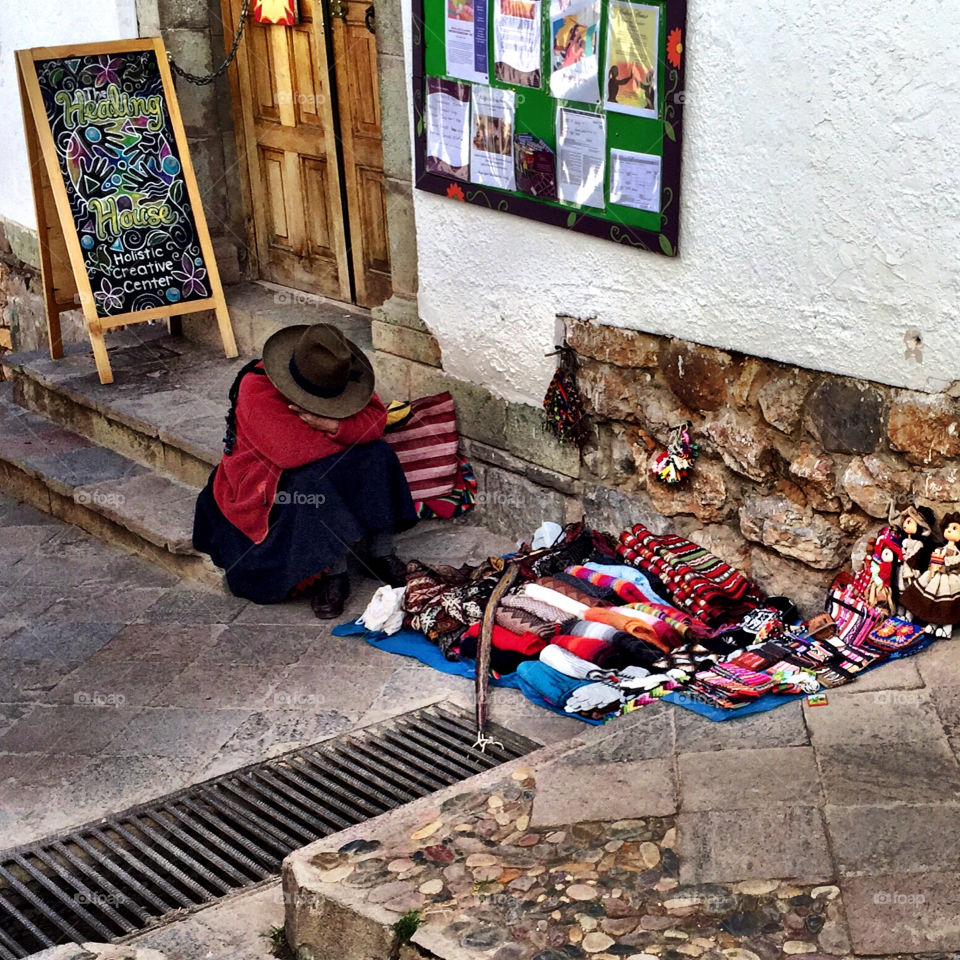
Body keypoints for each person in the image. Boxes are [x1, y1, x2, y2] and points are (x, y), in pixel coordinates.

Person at [193, 323, 416, 618]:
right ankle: (331, 572)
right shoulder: (255, 387)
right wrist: (352, 434)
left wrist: (334, 426)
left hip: (317, 453)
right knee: (312, 480)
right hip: (264, 480)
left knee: (378, 453)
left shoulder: (343, 373)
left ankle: (380, 553)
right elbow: (291, 453)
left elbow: (376, 420)